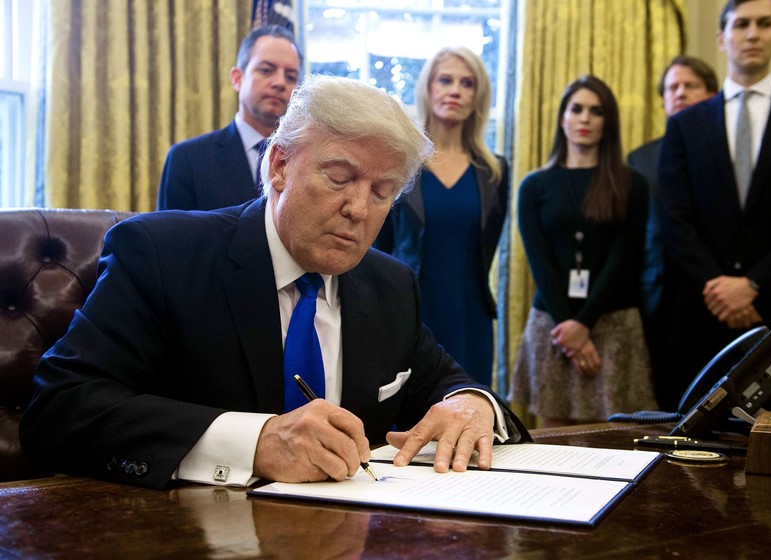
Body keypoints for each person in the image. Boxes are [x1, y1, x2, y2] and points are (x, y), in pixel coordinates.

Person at [20, 75, 531, 491]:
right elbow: (59, 409)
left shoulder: (390, 285)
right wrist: (254, 442)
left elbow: (449, 384)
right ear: (280, 164)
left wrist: (472, 403)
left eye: (382, 192)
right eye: (339, 178)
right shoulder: (162, 255)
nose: (359, 209)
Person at [657, 0, 771, 411]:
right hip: (701, 313)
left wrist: (753, 285)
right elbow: (674, 218)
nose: (752, 34)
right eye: (741, 25)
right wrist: (719, 288)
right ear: (722, 38)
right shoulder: (685, 124)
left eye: (764, 24)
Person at [509, 75, 657, 428]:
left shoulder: (631, 183)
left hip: (613, 322)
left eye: (596, 111)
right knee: (552, 438)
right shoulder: (534, 185)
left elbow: (623, 257)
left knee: (616, 436)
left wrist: (584, 324)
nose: (585, 118)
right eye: (576, 109)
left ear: (608, 122)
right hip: (553, 324)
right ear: (563, 118)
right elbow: (540, 264)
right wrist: (569, 328)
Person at [375, 46, 508, 387]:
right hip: (410, 311)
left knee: (471, 404)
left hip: (470, 315)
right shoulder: (400, 161)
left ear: (477, 96)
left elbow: (487, 249)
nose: (455, 91)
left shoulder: (494, 171)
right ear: (428, 88)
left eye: (467, 83)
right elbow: (379, 245)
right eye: (445, 80)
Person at [627, 55, 718, 410]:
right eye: (672, 88)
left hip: (711, 296)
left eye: (690, 86)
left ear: (712, 95)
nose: (680, 93)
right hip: (655, 300)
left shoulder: (723, 154)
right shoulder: (640, 159)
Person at [156, 25, 301, 211]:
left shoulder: (303, 160)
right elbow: (171, 229)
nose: (280, 82)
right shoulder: (187, 159)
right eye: (266, 70)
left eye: (290, 77)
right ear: (237, 78)